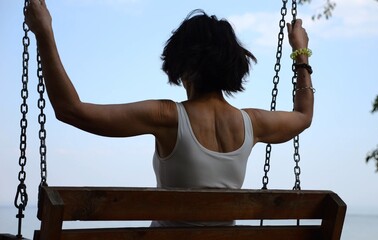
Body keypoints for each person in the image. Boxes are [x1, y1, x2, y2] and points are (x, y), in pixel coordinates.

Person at [25, 0, 314, 227]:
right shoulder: (253, 123)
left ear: (182, 64)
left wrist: (44, 32)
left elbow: (70, 110)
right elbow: (303, 116)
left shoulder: (167, 116)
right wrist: (300, 52)